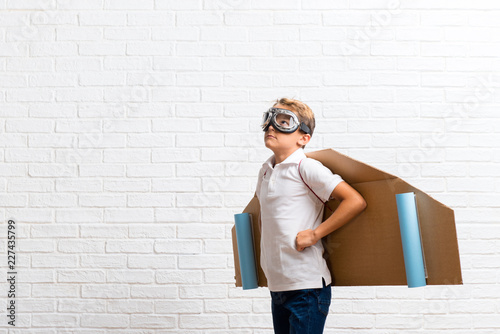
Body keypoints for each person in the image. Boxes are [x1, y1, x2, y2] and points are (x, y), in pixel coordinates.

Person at [255, 97, 367, 334]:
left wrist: (315, 234)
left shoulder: (305, 167)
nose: (272, 127)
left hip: (306, 288)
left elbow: (355, 201)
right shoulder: (265, 171)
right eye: (270, 120)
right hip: (278, 286)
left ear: (304, 138)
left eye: (284, 122)